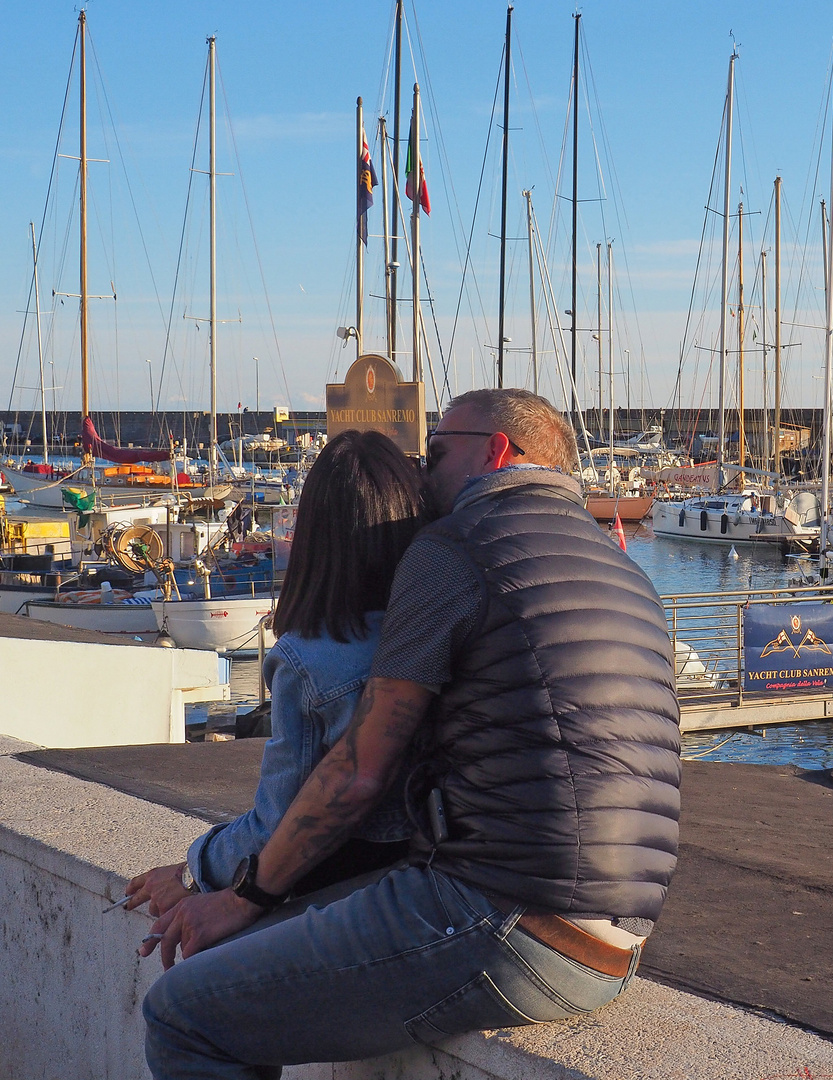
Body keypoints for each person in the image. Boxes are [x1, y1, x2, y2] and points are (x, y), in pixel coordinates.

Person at [139, 389, 682, 1079]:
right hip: (619, 943)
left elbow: (360, 769)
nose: (425, 474)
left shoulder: (456, 548)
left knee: (184, 1014)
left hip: (509, 924)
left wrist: (241, 897)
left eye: (439, 452)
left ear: (496, 450)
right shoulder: (623, 572)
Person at [122, 430, 425, 918]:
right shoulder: (432, 632)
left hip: (347, 897)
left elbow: (280, 823)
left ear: (315, 536)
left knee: (177, 996)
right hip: (430, 878)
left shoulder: (308, 660)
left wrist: (192, 869)